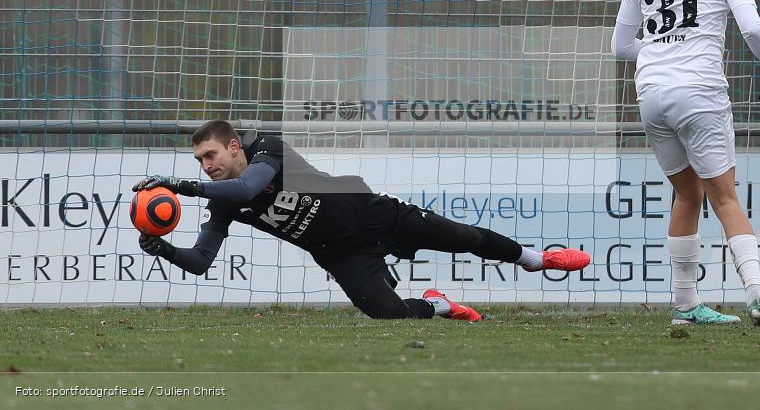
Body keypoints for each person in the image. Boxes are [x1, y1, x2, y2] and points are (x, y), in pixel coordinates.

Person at [133, 119, 590, 321]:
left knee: (462, 236)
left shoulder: (267, 149)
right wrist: (162, 248)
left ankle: (535, 259)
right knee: (386, 313)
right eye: (197, 161)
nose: (205, 166)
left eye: (209, 155)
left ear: (234, 147)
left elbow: (248, 188)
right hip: (340, 253)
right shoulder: (222, 202)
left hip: (373, 216)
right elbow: (200, 261)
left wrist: (179, 186)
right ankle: (441, 304)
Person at [612, 0, 760, 326]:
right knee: (724, 196)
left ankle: (685, 305)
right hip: (699, 91)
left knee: (687, 194)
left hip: (651, 95)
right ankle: (757, 297)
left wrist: (659, 52)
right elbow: (751, 27)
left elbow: (620, 47)